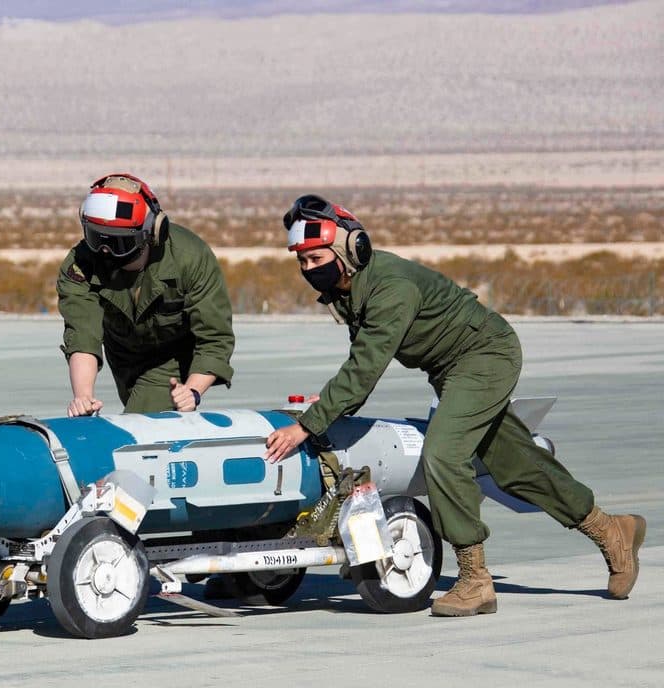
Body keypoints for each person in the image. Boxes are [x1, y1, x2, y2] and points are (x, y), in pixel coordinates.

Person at [263, 194, 646, 616]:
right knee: (515, 464)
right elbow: (364, 358)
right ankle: (611, 530)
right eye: (301, 262)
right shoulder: (348, 287)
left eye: (316, 258)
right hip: (451, 370)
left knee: (444, 453)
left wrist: (310, 423)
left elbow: (366, 366)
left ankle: (475, 579)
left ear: (350, 250)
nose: (308, 270)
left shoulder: (392, 288)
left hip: (485, 356)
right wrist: (335, 404)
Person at [57, 173, 234, 416]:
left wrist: (191, 392)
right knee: (139, 414)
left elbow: (215, 338)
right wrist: (83, 396)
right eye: (96, 239)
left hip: (170, 356)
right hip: (122, 354)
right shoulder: (80, 264)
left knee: (141, 418)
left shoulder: (190, 258)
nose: (105, 252)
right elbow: (82, 333)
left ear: (151, 234)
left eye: (119, 244)